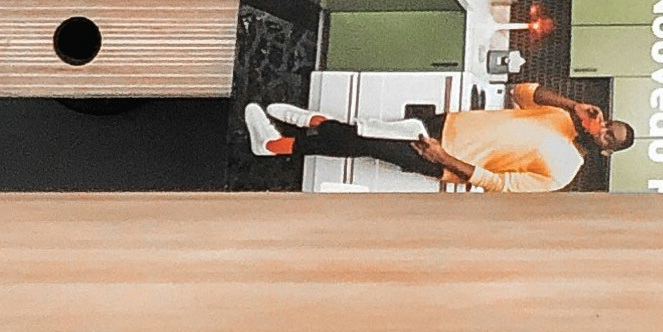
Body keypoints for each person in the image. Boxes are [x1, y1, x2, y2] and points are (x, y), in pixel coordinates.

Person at [245, 89, 634, 190]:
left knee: (363, 140)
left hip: (442, 154)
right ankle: (309, 125)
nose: (603, 130)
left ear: (606, 151)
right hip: (445, 124)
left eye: (609, 137)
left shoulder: (564, 172)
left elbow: (499, 184)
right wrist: (574, 105)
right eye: (608, 124)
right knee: (367, 133)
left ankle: (278, 144)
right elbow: (522, 90)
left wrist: (443, 158)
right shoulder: (562, 116)